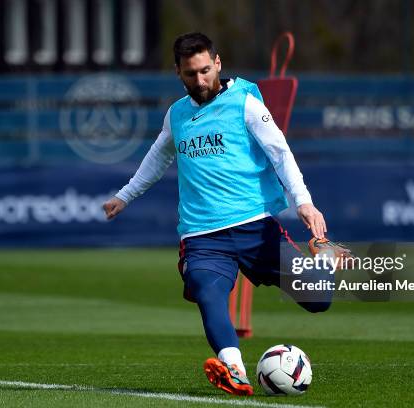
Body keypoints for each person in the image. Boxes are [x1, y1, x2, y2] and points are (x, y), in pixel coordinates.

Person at [103, 32, 350, 396]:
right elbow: (159, 155)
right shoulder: (177, 114)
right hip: (202, 236)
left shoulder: (246, 103)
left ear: (217, 63)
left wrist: (303, 202)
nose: (200, 80)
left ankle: (324, 262)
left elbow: (280, 152)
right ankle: (234, 370)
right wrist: (125, 196)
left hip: (255, 227)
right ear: (179, 73)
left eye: (205, 70)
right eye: (191, 74)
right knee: (207, 290)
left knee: (318, 299)